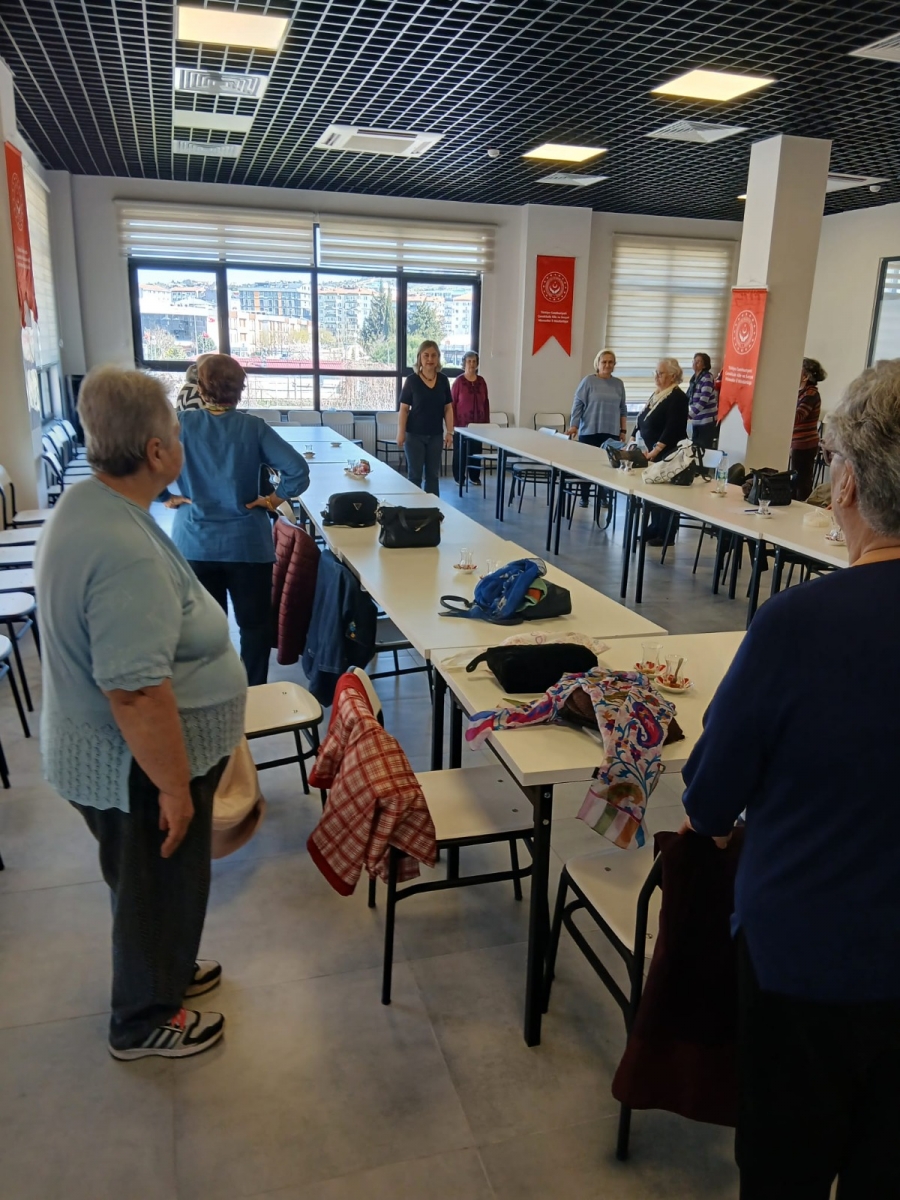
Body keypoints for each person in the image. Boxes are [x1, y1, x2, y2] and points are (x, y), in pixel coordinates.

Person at [680, 358, 900, 1200]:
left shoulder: (798, 625)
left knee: (785, 1176)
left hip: (806, 965)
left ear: (845, 484)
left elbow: (709, 801)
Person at [35, 367, 248, 1060]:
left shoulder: (94, 503)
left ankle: (165, 968)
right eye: (177, 433)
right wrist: (174, 789)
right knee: (153, 886)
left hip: (124, 759)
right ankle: (142, 1017)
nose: (182, 441)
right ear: (156, 452)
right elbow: (134, 690)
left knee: (157, 885)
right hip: (136, 768)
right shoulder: (123, 548)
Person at [165, 354, 310, 686]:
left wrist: (165, 496)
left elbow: (139, 457)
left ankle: (215, 694)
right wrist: (272, 500)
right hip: (247, 546)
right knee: (254, 627)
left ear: (200, 389)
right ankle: (254, 694)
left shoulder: (179, 424)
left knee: (205, 631)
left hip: (194, 543)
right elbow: (297, 471)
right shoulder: (253, 428)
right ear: (240, 390)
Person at [637, 358, 689, 546]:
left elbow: (672, 428)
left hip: (670, 454)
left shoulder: (678, 397)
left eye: (660, 373)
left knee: (667, 495)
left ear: (673, 376)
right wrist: (634, 438)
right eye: (656, 373)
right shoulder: (658, 394)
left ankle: (666, 533)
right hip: (653, 452)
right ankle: (654, 527)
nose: (656, 377)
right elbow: (643, 418)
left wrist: (655, 450)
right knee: (654, 492)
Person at [568, 349, 628, 506]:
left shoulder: (618, 384)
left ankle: (603, 497)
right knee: (587, 465)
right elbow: (578, 404)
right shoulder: (588, 381)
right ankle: (584, 496)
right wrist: (574, 426)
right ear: (598, 364)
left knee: (606, 467)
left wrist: (623, 430)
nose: (607, 365)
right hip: (589, 430)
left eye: (610, 362)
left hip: (611, 432)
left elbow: (622, 408)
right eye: (604, 362)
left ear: (614, 364)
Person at [397, 340, 454, 495]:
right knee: (415, 476)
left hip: (436, 436)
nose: (430, 359)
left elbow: (448, 408)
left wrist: (450, 432)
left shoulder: (443, 380)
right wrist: (401, 433)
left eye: (433, 355)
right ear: (419, 358)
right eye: (426, 355)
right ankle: (414, 508)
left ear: (438, 358)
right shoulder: (412, 380)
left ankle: (432, 508)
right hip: (414, 436)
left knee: (433, 476)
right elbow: (403, 409)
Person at [451, 350, 490, 486]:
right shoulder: (459, 382)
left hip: (479, 425)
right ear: (464, 363)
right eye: (469, 361)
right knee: (460, 452)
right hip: (461, 424)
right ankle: (459, 477)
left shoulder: (482, 382)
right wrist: (453, 424)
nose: (472, 364)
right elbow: (452, 404)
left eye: (474, 361)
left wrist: (486, 423)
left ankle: (474, 477)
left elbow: (486, 403)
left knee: (476, 451)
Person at [792, 357, 825, 501]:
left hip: (805, 444)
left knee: (802, 482)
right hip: (798, 443)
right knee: (796, 480)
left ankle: (803, 507)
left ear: (805, 376)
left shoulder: (811, 394)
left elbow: (798, 416)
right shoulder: (801, 392)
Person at [687, 352, 718, 453]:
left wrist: (689, 415)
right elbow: (688, 396)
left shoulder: (707, 377)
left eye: (698, 362)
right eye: (694, 361)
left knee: (704, 451)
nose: (695, 363)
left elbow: (703, 400)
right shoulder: (694, 378)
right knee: (695, 450)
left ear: (704, 365)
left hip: (706, 421)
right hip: (697, 420)